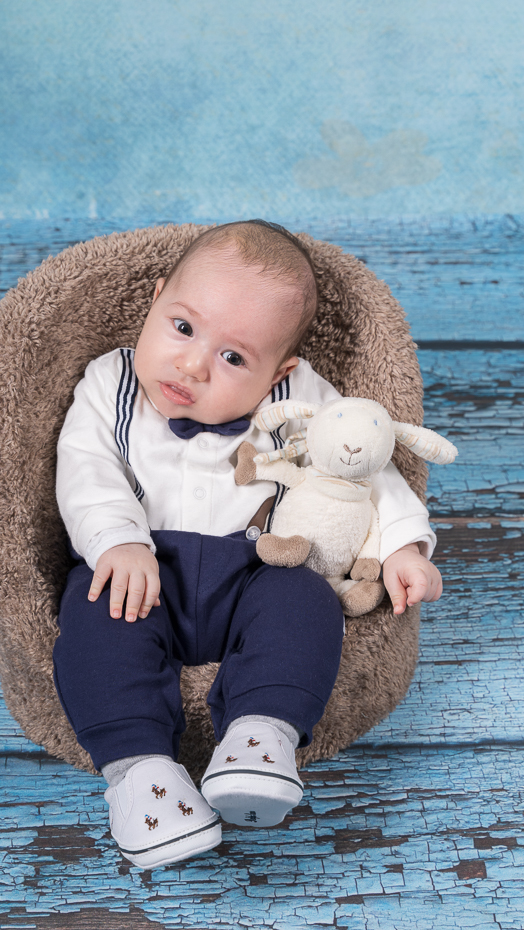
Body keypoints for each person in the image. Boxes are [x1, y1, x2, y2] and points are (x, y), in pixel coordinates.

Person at [53, 220, 443, 869]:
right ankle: (140, 774)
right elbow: (85, 468)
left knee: (304, 600)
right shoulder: (110, 383)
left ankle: (260, 739)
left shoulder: (300, 397)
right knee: (94, 613)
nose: (194, 364)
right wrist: (117, 542)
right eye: (183, 327)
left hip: (252, 570)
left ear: (278, 371)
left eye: (235, 357)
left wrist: (404, 545)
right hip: (143, 571)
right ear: (154, 301)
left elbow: (364, 462)